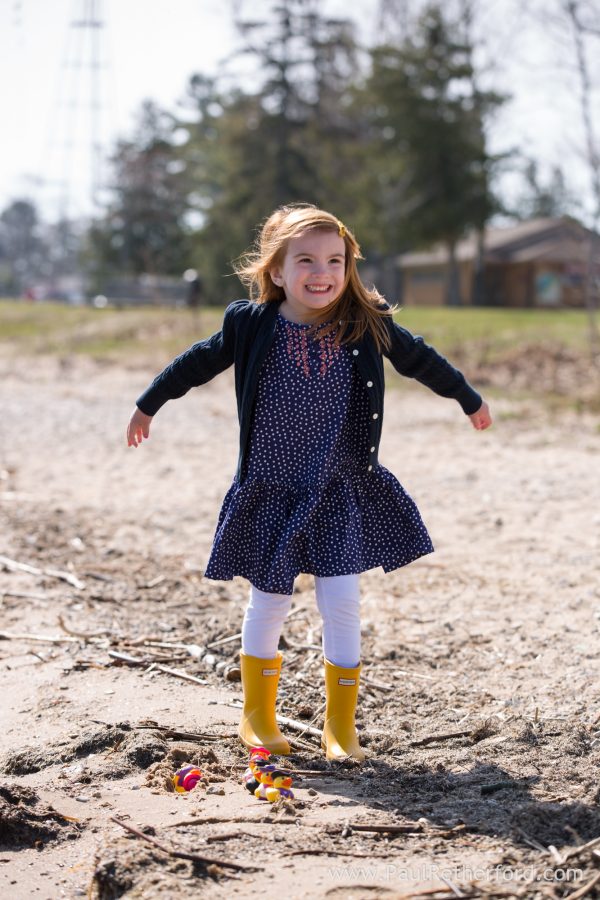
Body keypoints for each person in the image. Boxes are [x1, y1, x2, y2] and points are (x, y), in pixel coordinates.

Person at [126, 203, 492, 763]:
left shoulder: (366, 321)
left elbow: (421, 360)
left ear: (348, 267)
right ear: (276, 271)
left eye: (335, 260)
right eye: (305, 261)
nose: (321, 272)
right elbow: (195, 363)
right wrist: (148, 404)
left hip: (338, 487)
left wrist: (468, 398)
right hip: (272, 486)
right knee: (268, 601)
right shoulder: (249, 323)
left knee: (342, 603)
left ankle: (340, 728)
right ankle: (257, 718)